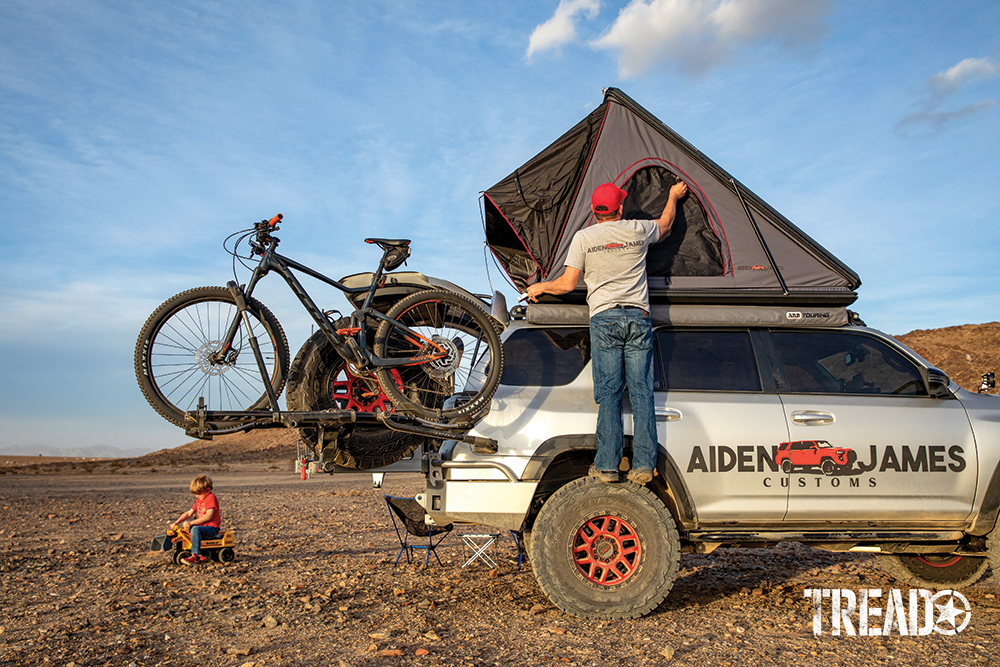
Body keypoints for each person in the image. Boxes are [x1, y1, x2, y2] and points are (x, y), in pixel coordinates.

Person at [526, 180, 688, 484]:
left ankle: (608, 466)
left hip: (604, 320)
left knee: (609, 396)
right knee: (642, 394)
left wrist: (539, 287)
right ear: (620, 209)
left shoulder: (584, 238)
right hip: (638, 318)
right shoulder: (637, 229)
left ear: (594, 211)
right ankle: (642, 465)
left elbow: (566, 285)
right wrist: (673, 196)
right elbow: (665, 224)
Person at [171, 474, 222, 566]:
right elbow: (188, 513)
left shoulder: (211, 498)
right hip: (203, 527)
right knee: (185, 531)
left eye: (198, 494)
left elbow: (209, 516)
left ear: (207, 490)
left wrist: (191, 522)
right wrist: (177, 522)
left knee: (195, 529)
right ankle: (188, 551)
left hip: (212, 528)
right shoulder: (199, 500)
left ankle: (195, 556)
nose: (196, 496)